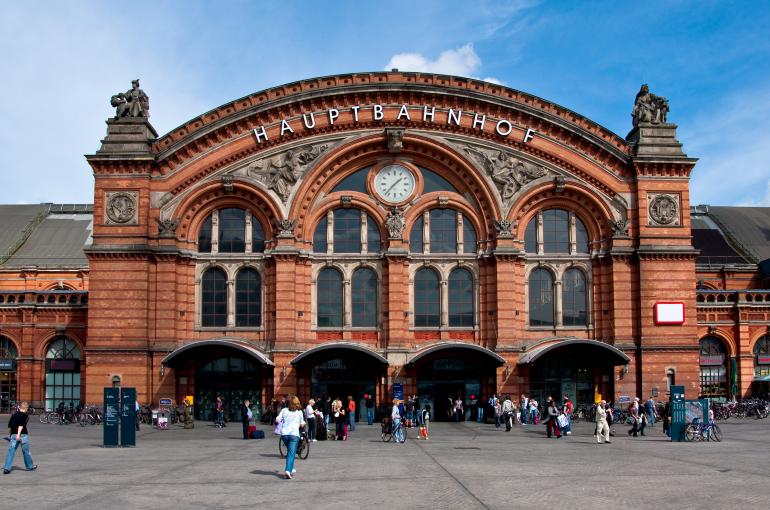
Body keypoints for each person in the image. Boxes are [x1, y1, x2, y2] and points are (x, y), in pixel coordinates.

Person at [276, 396, 306, 479]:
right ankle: (287, 470)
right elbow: (302, 423)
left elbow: (277, 419)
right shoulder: (299, 412)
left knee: (290, 452)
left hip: (284, 434)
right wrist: (300, 424)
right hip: (294, 435)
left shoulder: (284, 410)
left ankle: (291, 468)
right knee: (291, 453)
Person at [3, 401, 36, 474]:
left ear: (20, 407)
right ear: (26, 408)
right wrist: (18, 435)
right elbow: (21, 425)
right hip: (23, 435)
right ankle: (30, 466)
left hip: (13, 435)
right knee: (26, 452)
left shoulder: (14, 415)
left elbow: (10, 426)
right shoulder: (26, 415)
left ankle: (7, 468)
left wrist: (11, 435)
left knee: (11, 451)